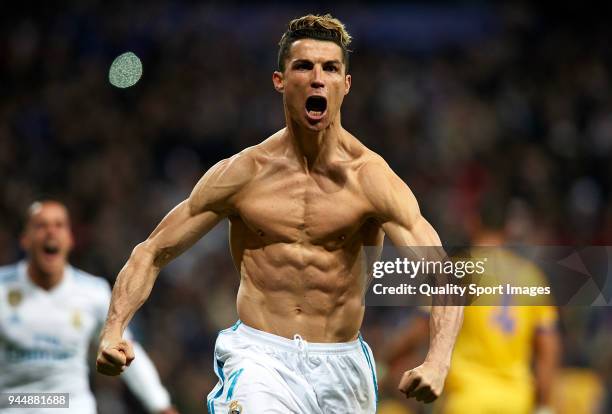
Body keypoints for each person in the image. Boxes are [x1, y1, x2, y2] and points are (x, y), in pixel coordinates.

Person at [96, 14, 463, 413]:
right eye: (304, 66)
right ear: (280, 81)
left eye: (331, 68)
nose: (318, 78)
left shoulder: (370, 180)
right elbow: (151, 251)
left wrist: (438, 361)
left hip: (342, 365)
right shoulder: (244, 174)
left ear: (346, 84)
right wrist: (113, 330)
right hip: (259, 357)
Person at [0, 200, 177, 414]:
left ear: (70, 239)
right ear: (25, 240)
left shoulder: (93, 292)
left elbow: (125, 348)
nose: (51, 233)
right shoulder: (2, 288)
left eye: (59, 225)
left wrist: (160, 404)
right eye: (41, 226)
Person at [383, 208, 561, 414]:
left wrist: (385, 360)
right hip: (516, 400)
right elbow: (548, 349)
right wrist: (545, 405)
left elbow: (420, 329)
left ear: (473, 223)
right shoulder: (532, 276)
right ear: (508, 230)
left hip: (466, 399)